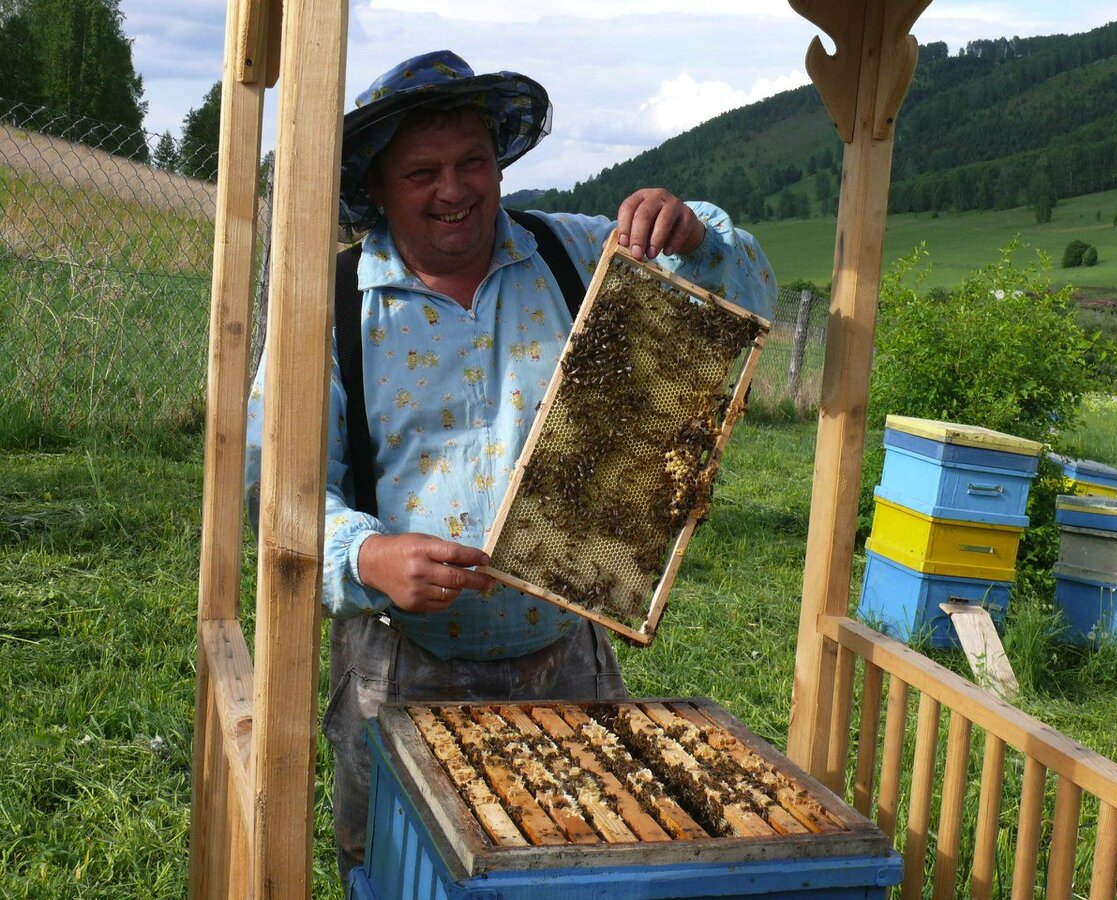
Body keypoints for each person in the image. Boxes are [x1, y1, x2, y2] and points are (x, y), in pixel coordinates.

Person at [244, 50, 776, 890]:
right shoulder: (333, 300)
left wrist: (694, 232)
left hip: (567, 651)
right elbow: (273, 481)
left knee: (570, 869)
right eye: (422, 171)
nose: (454, 189)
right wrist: (364, 555)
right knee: (394, 870)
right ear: (378, 188)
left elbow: (744, 294)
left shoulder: (575, 254)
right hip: (398, 660)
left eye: (473, 163)